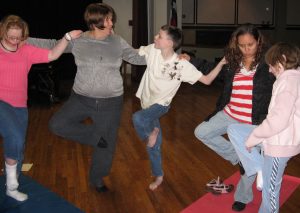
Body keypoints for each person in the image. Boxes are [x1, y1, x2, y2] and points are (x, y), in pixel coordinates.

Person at [27, 3, 146, 193]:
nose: (112, 22)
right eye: (108, 19)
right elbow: (51, 44)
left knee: (106, 147)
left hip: (111, 102)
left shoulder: (117, 41)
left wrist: (166, 54)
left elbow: (138, 57)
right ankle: (96, 137)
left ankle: (97, 179)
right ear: (97, 21)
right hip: (81, 99)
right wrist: (22, 39)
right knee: (57, 125)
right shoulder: (78, 40)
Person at [183, 23, 275, 211]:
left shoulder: (269, 65)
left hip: (252, 121)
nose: (246, 49)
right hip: (230, 114)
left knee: (249, 155)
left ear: (259, 42)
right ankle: (238, 158)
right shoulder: (234, 62)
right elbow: (212, 69)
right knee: (202, 132)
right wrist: (191, 59)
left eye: (250, 44)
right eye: (242, 45)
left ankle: (243, 196)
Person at [132, 25, 226, 190]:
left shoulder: (180, 64)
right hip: (146, 103)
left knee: (137, 118)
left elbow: (207, 80)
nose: (155, 37)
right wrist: (114, 44)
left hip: (161, 105)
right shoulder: (152, 50)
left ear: (169, 42)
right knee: (154, 147)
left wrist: (221, 64)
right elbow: (132, 52)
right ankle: (159, 176)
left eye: (159, 36)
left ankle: (150, 136)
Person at [0, 14, 81, 201]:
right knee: (14, 136)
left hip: (19, 105)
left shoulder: (26, 50)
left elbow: (52, 54)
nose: (14, 41)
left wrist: (67, 37)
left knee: (18, 146)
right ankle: (12, 186)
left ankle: (11, 183)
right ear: (3, 33)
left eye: (18, 37)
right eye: (10, 37)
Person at [227, 42, 300, 213]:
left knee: (270, 192)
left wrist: (255, 138)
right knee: (235, 130)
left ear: (281, 60)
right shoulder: (289, 79)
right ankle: (259, 167)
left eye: (271, 66)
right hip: (274, 137)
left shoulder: (288, 82)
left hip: (278, 145)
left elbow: (279, 120)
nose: (269, 70)